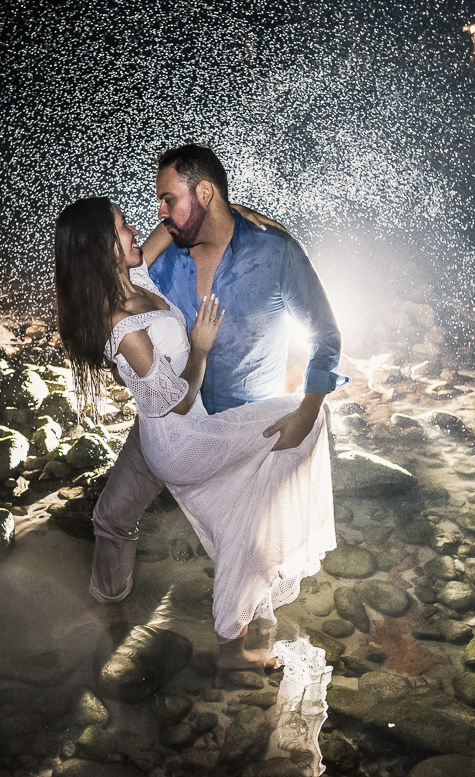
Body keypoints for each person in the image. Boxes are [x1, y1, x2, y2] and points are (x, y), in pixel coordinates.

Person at [54, 147, 347, 666]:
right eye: (148, 210)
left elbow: (324, 333)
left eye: (167, 199)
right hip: (171, 427)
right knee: (114, 515)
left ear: (205, 195)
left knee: (244, 525)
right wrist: (193, 348)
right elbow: (163, 380)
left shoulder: (266, 254)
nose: (157, 214)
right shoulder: (149, 274)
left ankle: (248, 628)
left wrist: (253, 218)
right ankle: (108, 617)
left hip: (226, 418)